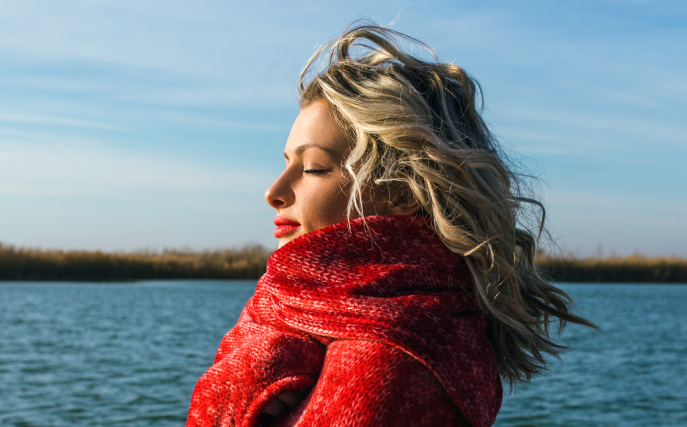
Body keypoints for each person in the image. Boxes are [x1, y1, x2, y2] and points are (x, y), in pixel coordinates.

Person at [187, 24, 596, 427]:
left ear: (401, 192)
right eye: (286, 163)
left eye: (313, 168)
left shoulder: (389, 361)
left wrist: (229, 398)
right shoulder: (284, 311)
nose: (273, 192)